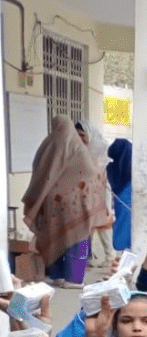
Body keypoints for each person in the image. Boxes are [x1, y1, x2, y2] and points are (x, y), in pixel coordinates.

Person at [22, 116, 107, 288]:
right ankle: (73, 279)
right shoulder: (75, 147)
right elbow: (88, 173)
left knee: (54, 236)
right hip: (75, 204)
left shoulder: (47, 144)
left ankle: (57, 275)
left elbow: (40, 172)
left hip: (52, 202)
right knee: (78, 235)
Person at [106, 139, 133, 252]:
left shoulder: (111, 166)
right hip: (126, 195)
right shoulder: (130, 165)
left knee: (122, 222)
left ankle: (120, 251)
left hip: (119, 197)